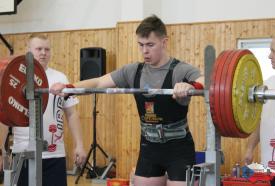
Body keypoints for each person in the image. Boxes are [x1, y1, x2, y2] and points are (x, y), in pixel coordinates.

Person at [51, 15, 204, 186]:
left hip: (178, 149)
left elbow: (204, 81)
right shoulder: (133, 71)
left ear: (164, 42)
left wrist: (190, 87)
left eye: (150, 45)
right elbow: (100, 82)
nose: (145, 51)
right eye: (141, 45)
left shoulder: (180, 70)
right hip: (149, 148)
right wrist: (70, 87)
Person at [0, 33, 87, 186]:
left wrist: (79, 144)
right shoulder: (17, 77)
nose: (43, 53)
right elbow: (5, 118)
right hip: (23, 154)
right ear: (29, 50)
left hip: (55, 155)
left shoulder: (60, 78)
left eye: (47, 49)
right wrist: (0, 150)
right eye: (38, 49)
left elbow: (72, 113)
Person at [244, 35, 275, 186]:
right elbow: (261, 120)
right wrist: (250, 148)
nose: (269, 55)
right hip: (269, 172)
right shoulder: (267, 85)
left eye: (274, 51)